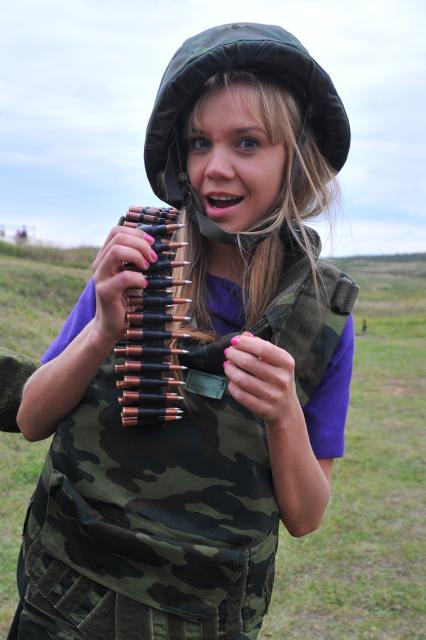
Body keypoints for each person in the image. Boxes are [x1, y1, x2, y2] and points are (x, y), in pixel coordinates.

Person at [9, 22, 358, 640]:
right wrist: (102, 331)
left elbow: (306, 516)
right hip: (65, 602)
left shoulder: (321, 315)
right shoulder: (136, 262)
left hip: (205, 619)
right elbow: (32, 419)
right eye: (199, 143)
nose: (215, 168)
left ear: (296, 157)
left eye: (247, 143)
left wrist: (283, 415)